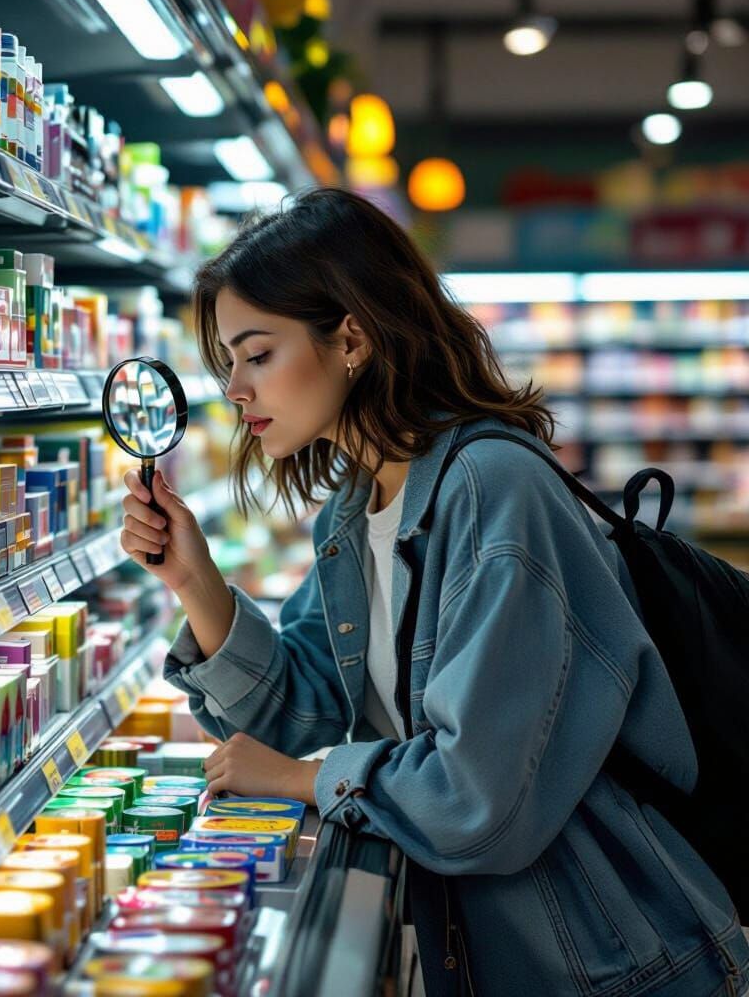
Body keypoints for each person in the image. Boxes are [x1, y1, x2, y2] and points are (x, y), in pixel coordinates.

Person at [118, 188, 748, 997]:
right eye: (228, 362)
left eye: (257, 353)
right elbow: (304, 705)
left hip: (612, 965)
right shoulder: (359, 506)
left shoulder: (494, 491)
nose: (236, 389)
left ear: (351, 338)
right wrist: (194, 580)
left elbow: (474, 795)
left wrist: (299, 780)